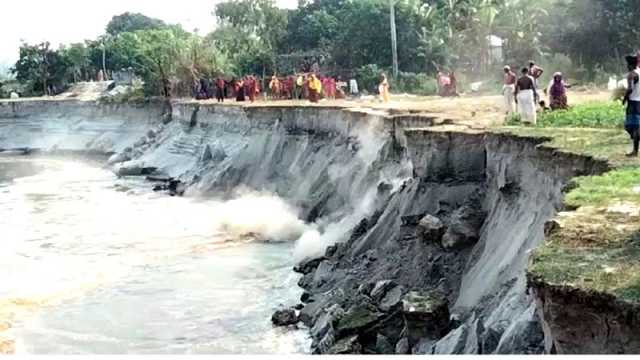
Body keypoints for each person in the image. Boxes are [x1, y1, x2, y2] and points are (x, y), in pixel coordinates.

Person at [624, 55, 640, 157]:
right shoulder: (639, 72)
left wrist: (624, 98)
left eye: (627, 64)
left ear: (630, 65)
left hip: (633, 103)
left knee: (630, 126)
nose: (626, 66)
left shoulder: (631, 75)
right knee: (635, 126)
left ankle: (635, 151)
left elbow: (629, 89)